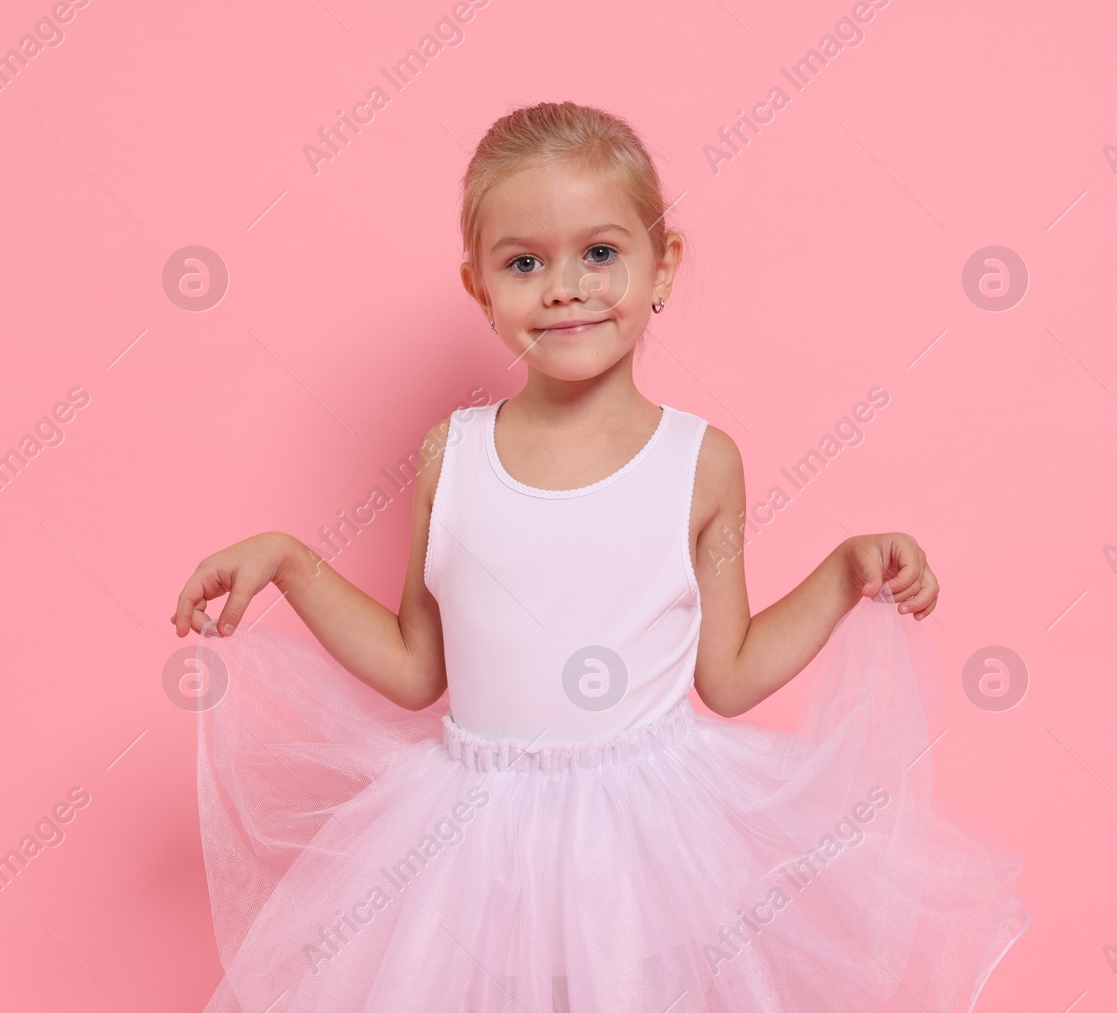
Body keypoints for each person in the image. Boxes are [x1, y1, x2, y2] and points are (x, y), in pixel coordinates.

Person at [172, 100, 1029, 1012]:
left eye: (602, 253)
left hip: (643, 839)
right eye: (525, 262)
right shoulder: (450, 456)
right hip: (468, 839)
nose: (565, 286)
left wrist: (846, 569)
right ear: (480, 289)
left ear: (663, 266)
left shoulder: (700, 463)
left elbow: (730, 675)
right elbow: (419, 667)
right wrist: (291, 562)